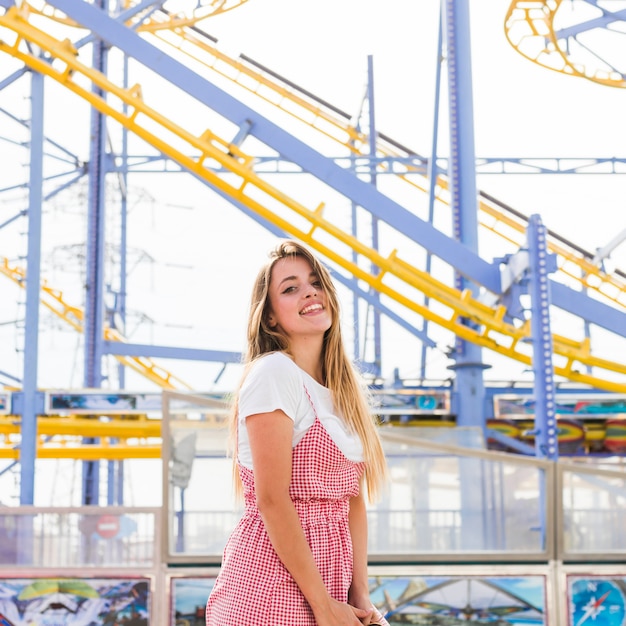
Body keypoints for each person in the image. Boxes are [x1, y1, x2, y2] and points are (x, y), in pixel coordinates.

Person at [205, 240, 389, 626]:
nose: (309, 291)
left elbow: (352, 501)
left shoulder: (344, 391)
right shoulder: (273, 373)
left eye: (315, 281)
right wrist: (323, 605)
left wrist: (359, 593)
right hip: (271, 589)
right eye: (290, 288)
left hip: (329, 586)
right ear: (270, 318)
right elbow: (272, 500)